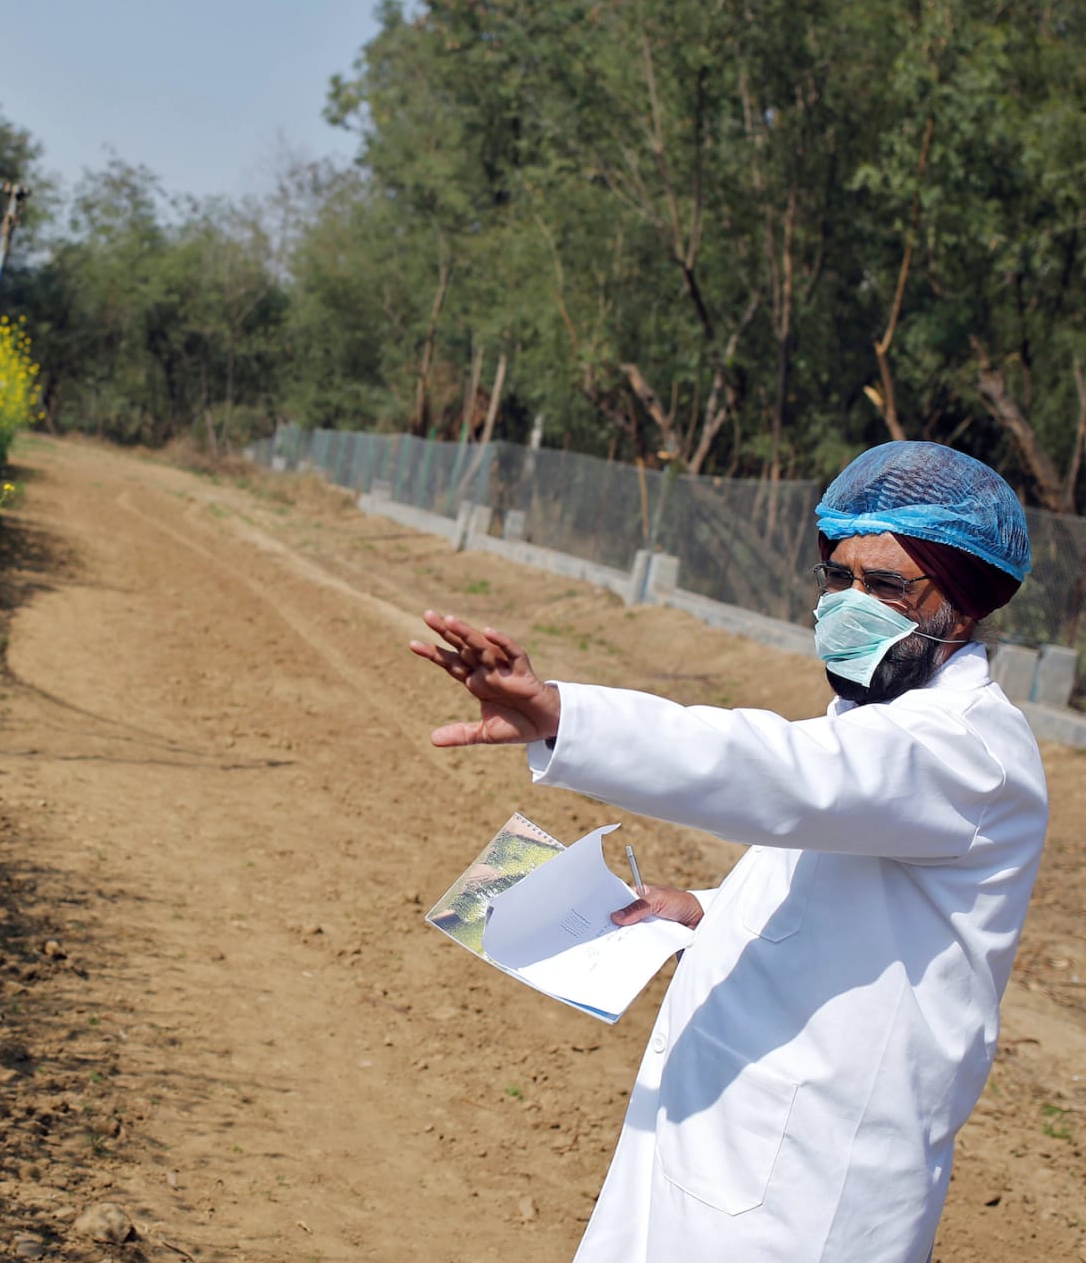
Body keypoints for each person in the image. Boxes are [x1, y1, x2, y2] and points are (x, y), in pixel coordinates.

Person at [409, 441, 1049, 1261]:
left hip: (808, 1189)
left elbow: (777, 776)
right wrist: (707, 907)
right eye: (838, 577)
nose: (849, 602)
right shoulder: (877, 723)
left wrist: (565, 716)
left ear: (962, 607)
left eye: (886, 585)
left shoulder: (965, 753)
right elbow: (829, 868)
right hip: (723, 1135)